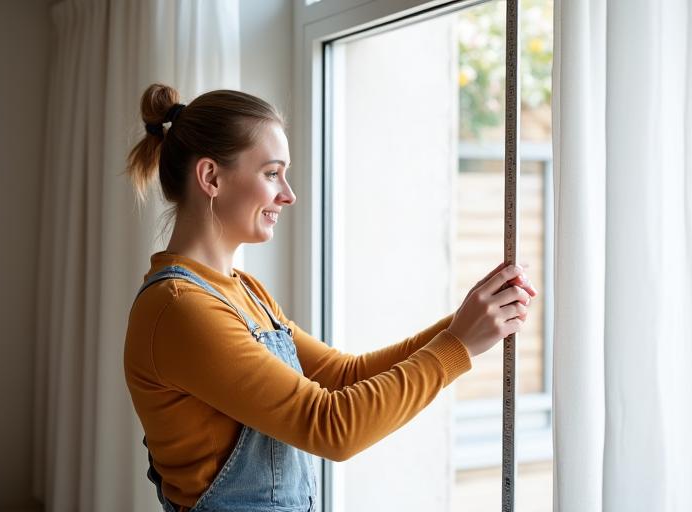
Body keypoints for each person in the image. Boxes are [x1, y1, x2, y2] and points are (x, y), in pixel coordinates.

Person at [123, 83, 537, 512]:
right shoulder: (179, 309)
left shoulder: (242, 289)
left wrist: (466, 321)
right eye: (271, 173)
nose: (288, 194)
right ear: (211, 177)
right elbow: (330, 427)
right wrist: (458, 344)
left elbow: (342, 375)